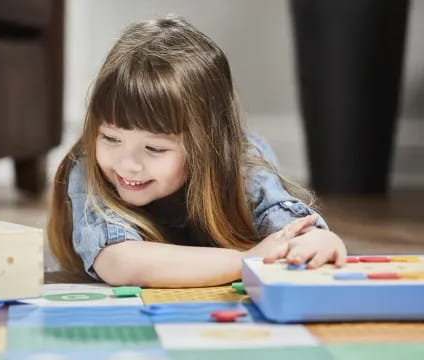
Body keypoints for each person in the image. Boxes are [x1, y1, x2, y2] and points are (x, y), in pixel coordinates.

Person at [48, 15, 347, 287]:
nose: (128, 165)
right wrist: (248, 260)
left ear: (206, 146)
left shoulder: (244, 164)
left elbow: (294, 228)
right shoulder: (89, 171)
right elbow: (121, 263)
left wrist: (316, 240)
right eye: (111, 138)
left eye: (154, 148)